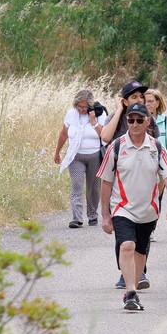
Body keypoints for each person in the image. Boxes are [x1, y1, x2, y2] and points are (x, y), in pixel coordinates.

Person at [98, 103, 167, 312]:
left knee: (140, 252)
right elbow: (106, 182)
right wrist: (105, 215)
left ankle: (130, 290)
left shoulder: (157, 148)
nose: (134, 124)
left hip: (148, 211)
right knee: (127, 246)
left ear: (147, 122)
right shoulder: (116, 147)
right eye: (131, 120)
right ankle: (131, 292)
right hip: (122, 208)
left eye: (139, 120)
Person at [100, 81, 161, 290]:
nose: (139, 100)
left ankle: (139, 271)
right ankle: (125, 273)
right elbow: (105, 137)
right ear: (124, 100)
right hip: (119, 183)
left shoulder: (147, 120)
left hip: (144, 180)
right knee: (124, 237)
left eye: (141, 97)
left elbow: (157, 148)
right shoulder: (116, 119)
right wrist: (118, 111)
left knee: (142, 235)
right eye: (134, 97)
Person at [54, 90, 108, 229]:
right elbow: (64, 134)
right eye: (78, 106)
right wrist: (57, 152)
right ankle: (77, 218)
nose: (80, 109)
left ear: (90, 106)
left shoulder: (99, 114)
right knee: (77, 185)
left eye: (83, 107)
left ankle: (92, 214)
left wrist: (93, 122)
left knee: (94, 188)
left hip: (95, 156)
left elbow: (105, 135)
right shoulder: (71, 114)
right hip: (76, 156)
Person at [145, 88, 167, 174]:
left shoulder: (166, 121)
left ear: (157, 103)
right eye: (145, 101)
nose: (147, 104)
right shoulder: (138, 120)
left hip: (161, 167)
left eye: (150, 101)